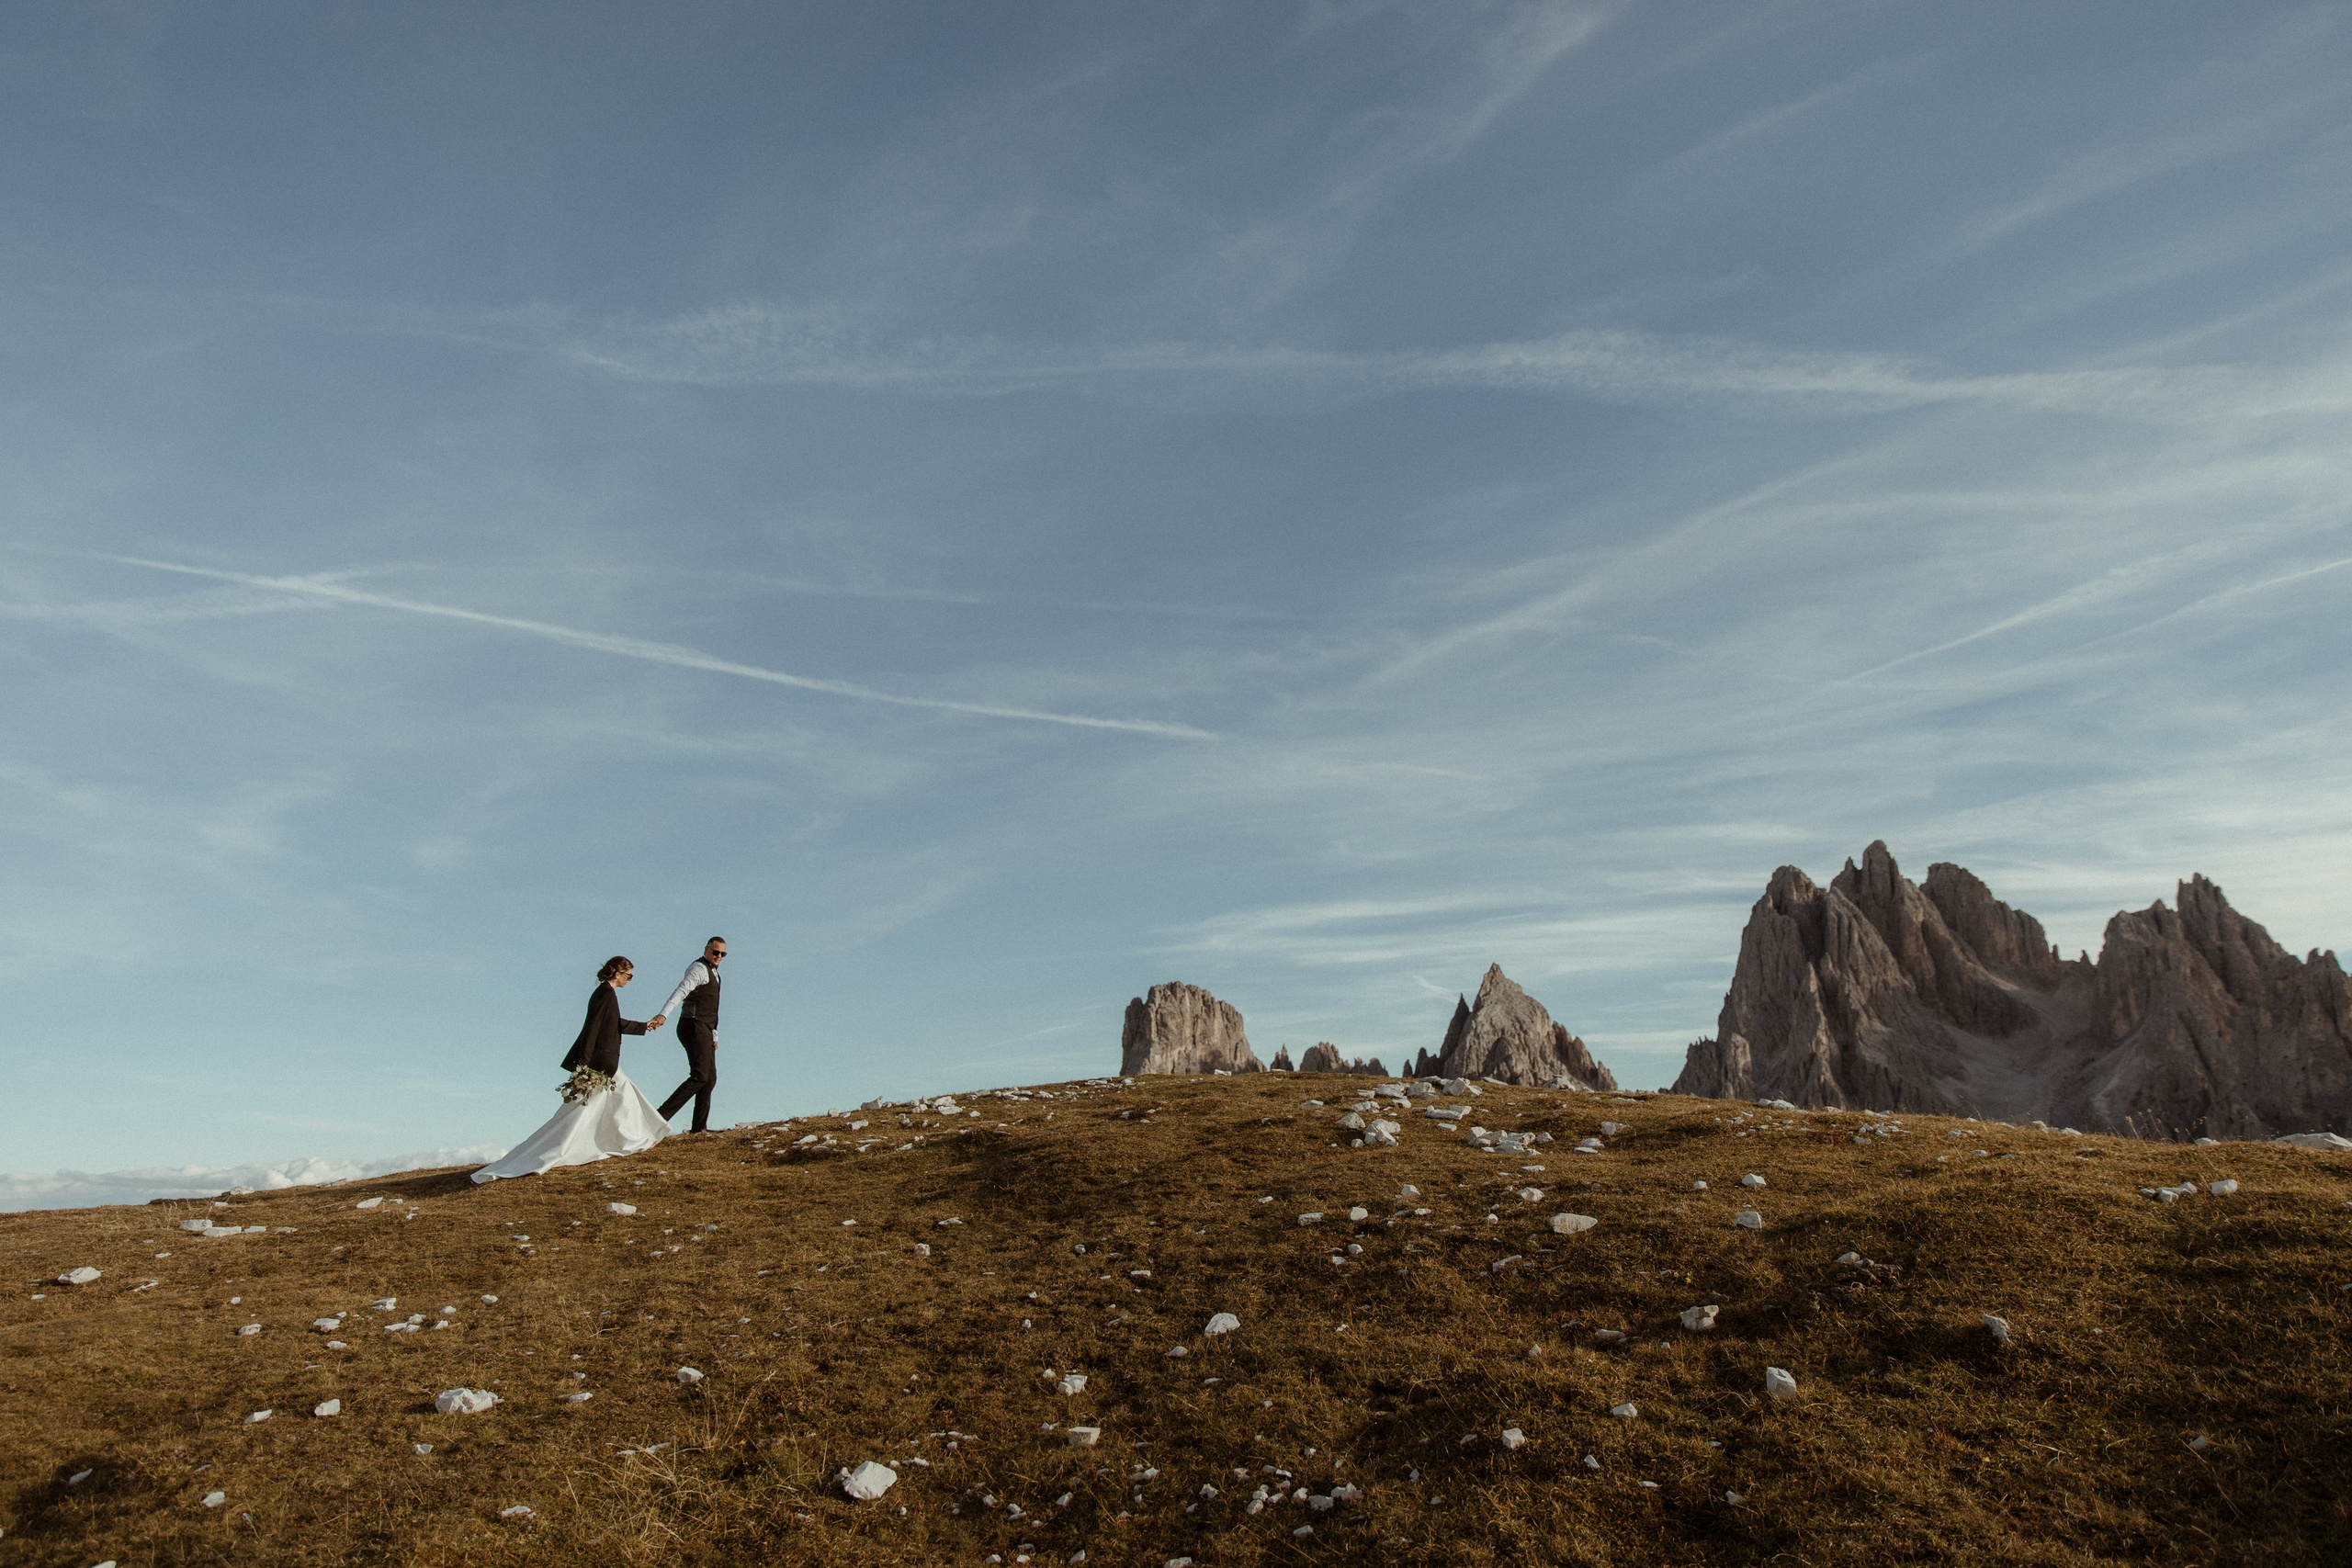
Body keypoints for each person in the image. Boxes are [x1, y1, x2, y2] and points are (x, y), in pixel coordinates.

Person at [472, 956, 673, 1183]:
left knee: (608, 1100)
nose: (629, 980)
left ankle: (633, 1138)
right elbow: (592, 1028)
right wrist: (583, 1065)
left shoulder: (605, 993)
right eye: (629, 976)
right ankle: (627, 1140)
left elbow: (614, 1023)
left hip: (603, 1061)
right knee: (587, 1108)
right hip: (600, 1062)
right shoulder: (605, 994)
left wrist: (644, 1026)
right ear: (617, 973)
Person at [649, 936, 726, 1134]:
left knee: (709, 1079)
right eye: (715, 952)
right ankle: (657, 1118)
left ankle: (699, 1129)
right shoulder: (698, 969)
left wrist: (714, 1035)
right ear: (706, 949)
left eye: (722, 954)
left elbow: (713, 1007)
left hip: (705, 1029)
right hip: (692, 1025)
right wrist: (663, 1014)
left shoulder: (716, 974)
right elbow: (681, 991)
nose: (719, 956)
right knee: (700, 1076)